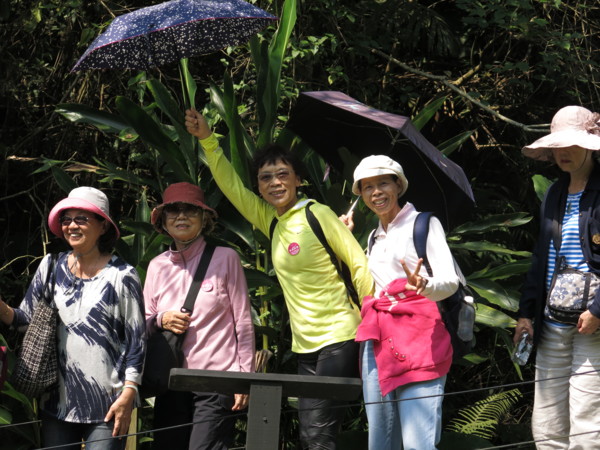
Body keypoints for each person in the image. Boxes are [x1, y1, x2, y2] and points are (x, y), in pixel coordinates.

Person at [184, 108, 373, 450]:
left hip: (340, 336)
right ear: (259, 186)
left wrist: (373, 323)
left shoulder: (318, 214)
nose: (275, 183)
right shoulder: (271, 220)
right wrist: (207, 140)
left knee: (318, 435)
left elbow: (359, 266)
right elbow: (232, 188)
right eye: (265, 178)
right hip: (305, 345)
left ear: (298, 179)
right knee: (311, 434)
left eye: (283, 174)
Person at [0, 186, 145, 449]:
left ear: (103, 226)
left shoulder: (122, 275)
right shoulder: (51, 266)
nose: (72, 226)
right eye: (66, 220)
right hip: (56, 403)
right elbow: (24, 321)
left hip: (109, 403)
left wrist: (129, 391)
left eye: (82, 219)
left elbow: (137, 340)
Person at [341, 155, 459, 450]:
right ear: (360, 194)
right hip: (377, 340)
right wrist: (345, 238)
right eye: (367, 187)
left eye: (383, 183)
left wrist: (424, 285)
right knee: (380, 441)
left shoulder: (423, 224)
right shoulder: (373, 237)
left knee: (418, 443)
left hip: (419, 339)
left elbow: (450, 281)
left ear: (398, 185)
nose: (376, 192)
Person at [144, 182, 255, 450]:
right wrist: (161, 319)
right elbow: (143, 322)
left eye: (190, 210)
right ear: (163, 220)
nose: (181, 216)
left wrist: (244, 378)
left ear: (204, 218)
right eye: (174, 211)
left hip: (216, 380)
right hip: (170, 381)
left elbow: (243, 322)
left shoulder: (226, 258)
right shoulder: (157, 266)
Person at [514, 105, 600, 449]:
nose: (563, 152)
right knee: (547, 422)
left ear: (590, 146)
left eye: (572, 144)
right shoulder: (553, 193)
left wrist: (598, 310)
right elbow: (541, 257)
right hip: (551, 321)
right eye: (558, 145)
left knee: (587, 422)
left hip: (592, 326)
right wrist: (526, 313)